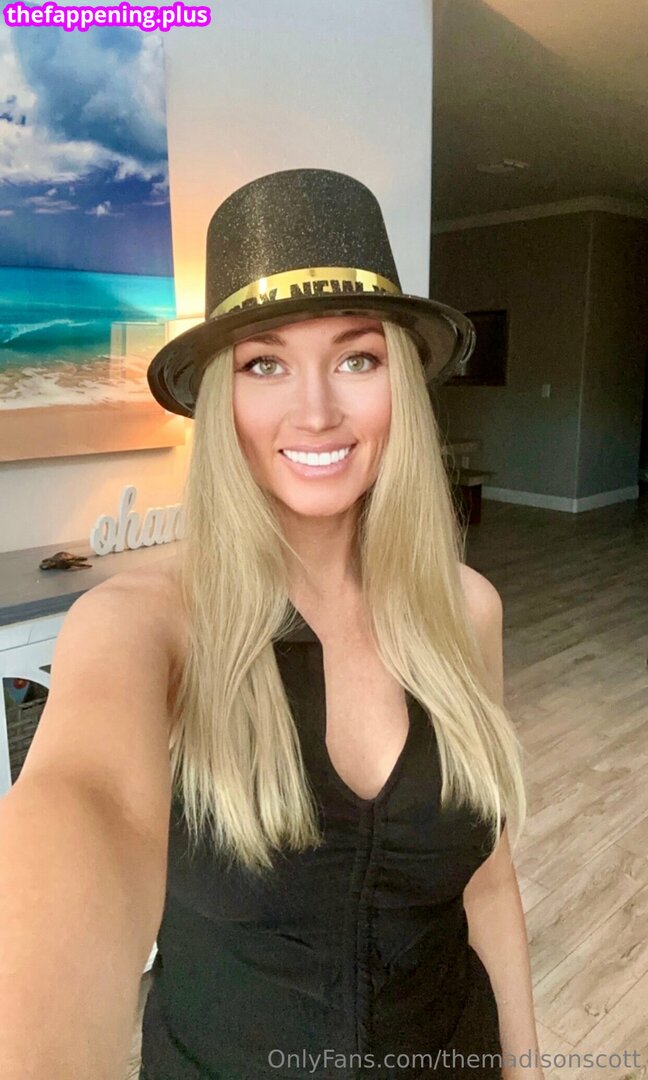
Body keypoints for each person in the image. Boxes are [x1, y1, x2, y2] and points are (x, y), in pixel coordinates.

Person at [0, 169, 542, 1080]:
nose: (317, 411)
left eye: (358, 359)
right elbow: (82, 812)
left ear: (402, 385)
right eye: (264, 364)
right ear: (223, 398)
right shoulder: (139, 626)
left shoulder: (467, 609)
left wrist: (528, 1069)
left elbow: (486, 880)